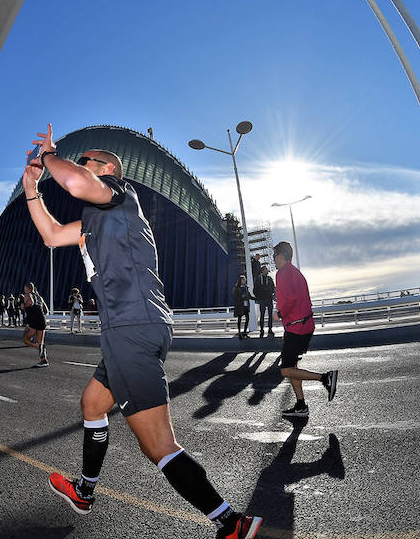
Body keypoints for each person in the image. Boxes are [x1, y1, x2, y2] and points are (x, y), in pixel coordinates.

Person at [24, 125, 262, 538]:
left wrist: (48, 158)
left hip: (132, 328)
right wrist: (32, 190)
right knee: (93, 405)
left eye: (88, 161)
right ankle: (85, 492)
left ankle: (230, 524)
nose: (79, 167)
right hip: (132, 328)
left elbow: (78, 181)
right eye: (80, 162)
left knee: (158, 446)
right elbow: (49, 235)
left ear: (110, 169)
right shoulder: (95, 221)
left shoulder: (119, 195)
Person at [273, 241, 338, 418]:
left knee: (285, 369)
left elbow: (291, 299)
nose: (274, 261)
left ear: (281, 256)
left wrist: (279, 313)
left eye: (275, 257)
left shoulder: (283, 273)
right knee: (292, 365)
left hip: (297, 327)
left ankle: (325, 378)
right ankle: (301, 405)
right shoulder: (295, 273)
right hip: (300, 325)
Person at [21, 282, 49, 368]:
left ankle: (36, 346)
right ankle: (43, 361)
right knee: (41, 342)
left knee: (26, 339)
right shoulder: (39, 297)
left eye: (25, 288)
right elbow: (46, 310)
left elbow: (30, 302)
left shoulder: (27, 295)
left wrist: (23, 306)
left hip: (34, 321)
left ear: (27, 288)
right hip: (42, 320)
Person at [253, 266, 275, 337]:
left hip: (269, 299)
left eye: (267, 270)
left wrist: (272, 294)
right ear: (262, 271)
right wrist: (259, 297)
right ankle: (261, 330)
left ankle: (270, 329)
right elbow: (255, 290)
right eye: (265, 270)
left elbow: (273, 288)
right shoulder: (258, 279)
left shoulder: (270, 279)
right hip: (262, 300)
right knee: (262, 315)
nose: (266, 271)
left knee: (270, 315)